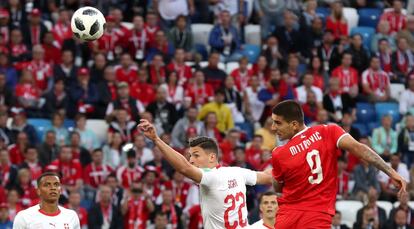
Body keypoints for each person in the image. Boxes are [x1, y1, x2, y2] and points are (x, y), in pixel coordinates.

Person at [270, 100, 406, 229]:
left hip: (287, 216)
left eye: (278, 123)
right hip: (317, 215)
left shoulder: (279, 153)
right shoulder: (329, 131)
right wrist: (391, 172)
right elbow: (359, 148)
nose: (273, 127)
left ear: (294, 124)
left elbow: (278, 187)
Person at [138, 120, 273, 228]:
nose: (191, 160)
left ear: (212, 158)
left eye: (196, 155)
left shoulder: (210, 177)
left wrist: (156, 139)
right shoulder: (238, 171)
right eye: (190, 155)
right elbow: (268, 177)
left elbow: (184, 168)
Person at [13, 172, 80, 228]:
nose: (53, 188)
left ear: (60, 191)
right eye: (47, 185)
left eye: (56, 184)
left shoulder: (71, 216)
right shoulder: (24, 217)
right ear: (38, 191)